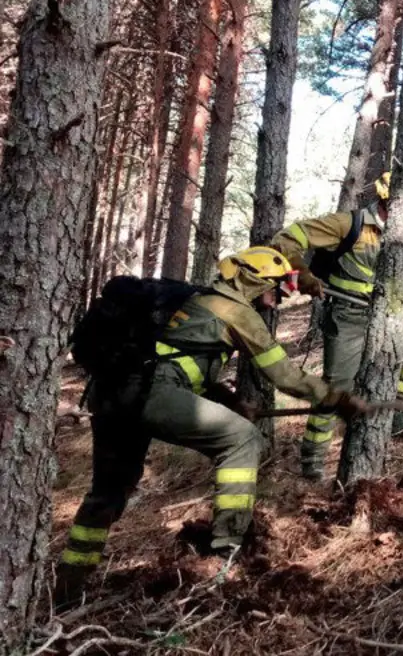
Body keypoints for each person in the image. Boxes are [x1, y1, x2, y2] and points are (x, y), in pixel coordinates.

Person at [56, 247, 367, 602]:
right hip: (148, 393)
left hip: (109, 394)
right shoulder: (236, 310)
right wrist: (337, 399)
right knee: (242, 439)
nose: (280, 297)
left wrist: (231, 402)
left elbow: (177, 362)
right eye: (278, 287)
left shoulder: (197, 302)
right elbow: (286, 377)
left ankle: (68, 585)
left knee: (108, 491)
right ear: (255, 279)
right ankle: (226, 553)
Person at [272, 172, 403, 481]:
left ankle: (395, 412)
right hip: (347, 318)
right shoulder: (349, 225)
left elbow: (393, 284)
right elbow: (287, 237)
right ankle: (312, 459)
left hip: (385, 317)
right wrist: (302, 274)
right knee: (336, 389)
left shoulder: (401, 235)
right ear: (385, 201)